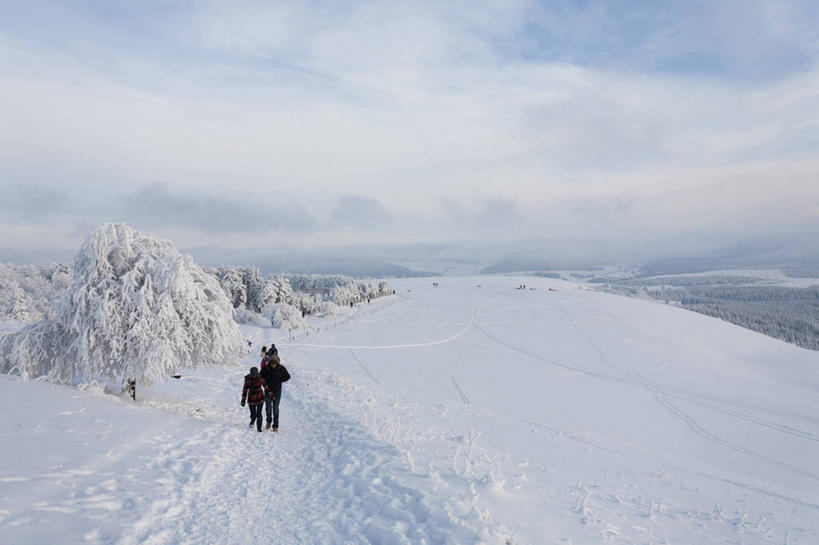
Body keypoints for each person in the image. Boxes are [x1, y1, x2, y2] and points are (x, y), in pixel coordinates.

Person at [259, 349, 290, 431]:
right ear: (269, 363)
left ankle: (275, 426)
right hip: (268, 391)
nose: (273, 365)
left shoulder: (281, 368)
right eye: (272, 363)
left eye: (275, 363)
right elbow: (260, 377)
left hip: (277, 391)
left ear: (277, 363)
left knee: (275, 408)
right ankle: (268, 421)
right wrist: (263, 382)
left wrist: (280, 380)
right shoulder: (266, 368)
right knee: (268, 407)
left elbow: (287, 376)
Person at [241, 367, 269, 432]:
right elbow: (245, 390)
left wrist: (271, 395)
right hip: (251, 398)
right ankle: (252, 421)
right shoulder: (247, 379)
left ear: (257, 373)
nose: (254, 376)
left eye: (255, 375)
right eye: (252, 375)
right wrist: (243, 401)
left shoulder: (260, 378)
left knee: (259, 413)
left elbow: (266, 386)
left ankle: (259, 428)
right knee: (253, 414)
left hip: (260, 397)